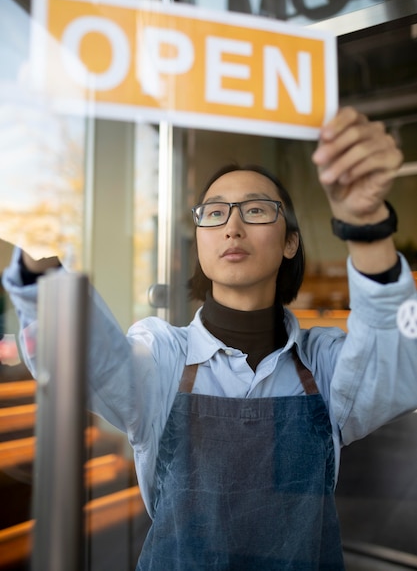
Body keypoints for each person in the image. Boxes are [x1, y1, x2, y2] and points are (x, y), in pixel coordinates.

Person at [3, 106, 417, 570]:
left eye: (256, 210)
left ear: (290, 242)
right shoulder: (163, 355)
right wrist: (41, 258)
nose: (232, 227)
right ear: (200, 241)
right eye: (215, 213)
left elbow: (396, 364)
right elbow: (94, 362)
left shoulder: (322, 364)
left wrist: (366, 226)